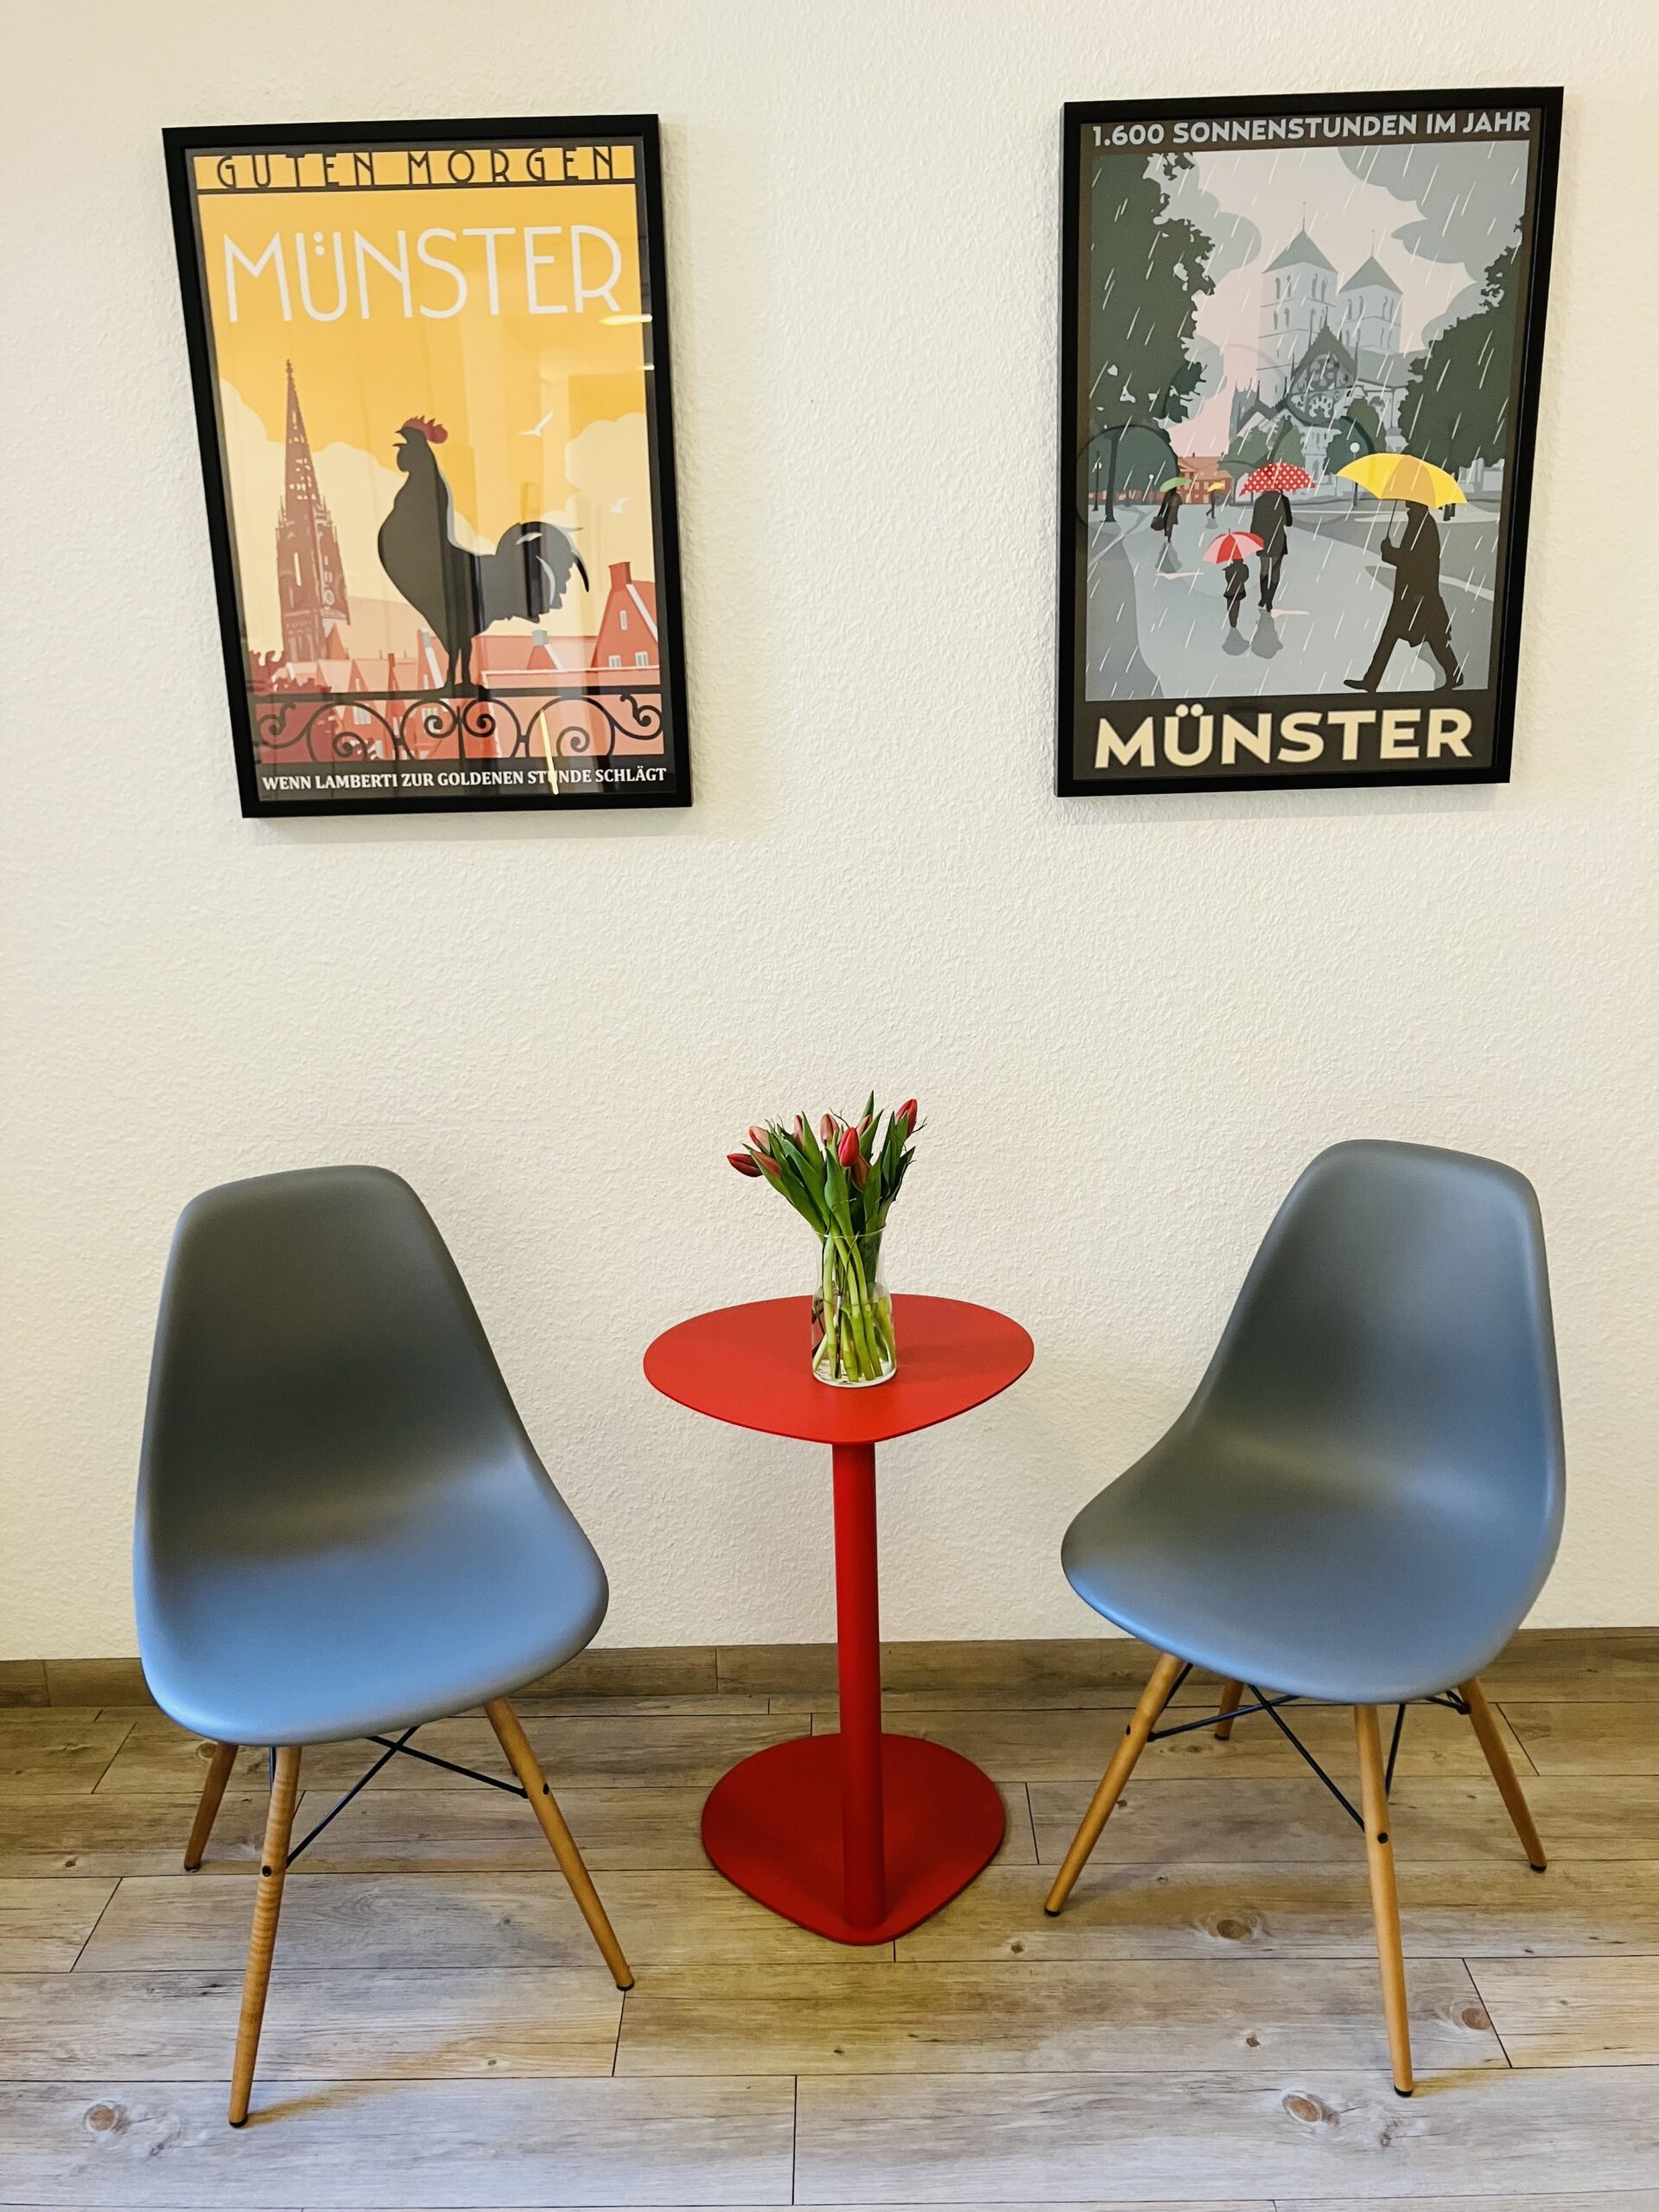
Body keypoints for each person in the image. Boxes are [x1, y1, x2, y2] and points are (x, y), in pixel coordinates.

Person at [1344, 503, 1463, 693]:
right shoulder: (1420, 521)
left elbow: (1414, 560)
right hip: (1415, 594)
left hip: (1418, 596)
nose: (1406, 500)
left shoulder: (1423, 525)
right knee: (1423, 636)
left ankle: (1454, 674)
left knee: (1431, 637)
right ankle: (1372, 680)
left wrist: (1389, 552)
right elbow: (1412, 558)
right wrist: (1391, 552)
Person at [1249, 487, 1292, 610]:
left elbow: (1255, 523)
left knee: (1264, 569)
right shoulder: (1283, 500)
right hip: (1278, 538)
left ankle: (1264, 598)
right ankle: (1269, 600)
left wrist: (1254, 540)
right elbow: (1288, 522)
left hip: (1263, 539)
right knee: (1275, 571)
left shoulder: (1259, 501)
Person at [1152, 481, 1183, 553]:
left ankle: (1167, 533)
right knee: (1170, 525)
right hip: (1174, 513)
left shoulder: (1168, 494)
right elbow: (1181, 503)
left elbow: (1164, 505)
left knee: (1167, 523)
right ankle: (1169, 536)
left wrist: (1160, 513)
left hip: (1168, 512)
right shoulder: (1177, 496)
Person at [1223, 556, 1249, 630]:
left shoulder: (1229, 569)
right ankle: (1234, 622)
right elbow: (1246, 577)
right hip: (1239, 590)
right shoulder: (1244, 568)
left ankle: (1232, 622)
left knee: (1230, 607)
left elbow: (1227, 579)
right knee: (1236, 607)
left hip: (1230, 591)